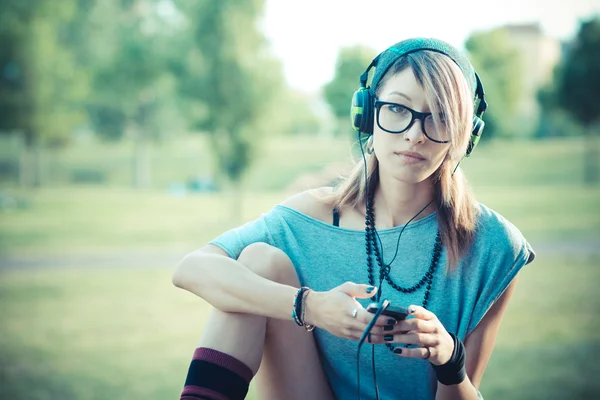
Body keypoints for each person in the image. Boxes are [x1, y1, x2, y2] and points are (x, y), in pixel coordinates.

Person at [172, 37, 536, 400]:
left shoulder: (495, 244)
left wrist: (450, 359)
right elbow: (191, 269)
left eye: (440, 117)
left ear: (464, 136)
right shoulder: (307, 218)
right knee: (257, 261)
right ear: (366, 114)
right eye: (397, 109)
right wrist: (309, 305)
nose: (414, 135)